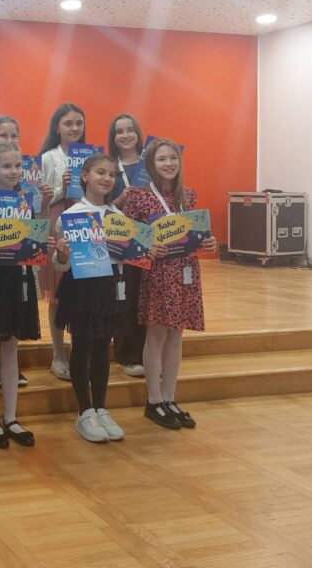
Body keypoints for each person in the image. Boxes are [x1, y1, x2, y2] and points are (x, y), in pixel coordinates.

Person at [121, 139, 218, 430]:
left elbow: (196, 234)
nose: (168, 163)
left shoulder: (187, 195)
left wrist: (210, 242)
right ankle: (153, 401)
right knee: (156, 335)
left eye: (172, 158)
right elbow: (128, 239)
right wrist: (147, 248)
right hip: (158, 274)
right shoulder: (138, 197)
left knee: (176, 336)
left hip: (186, 272)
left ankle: (169, 398)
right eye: (162, 159)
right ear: (151, 164)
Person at [0, 141, 54, 449]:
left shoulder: (26, 203)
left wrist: (42, 243)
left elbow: (31, 245)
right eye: (6, 166)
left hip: (18, 281)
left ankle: (12, 417)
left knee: (12, 348)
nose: (13, 171)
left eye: (17, 166)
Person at [52, 153, 128, 443]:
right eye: (100, 172)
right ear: (85, 176)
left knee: (102, 348)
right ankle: (84, 411)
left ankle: (101, 407)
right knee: (82, 346)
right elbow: (60, 264)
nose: (107, 178)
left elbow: (125, 257)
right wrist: (62, 254)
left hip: (109, 286)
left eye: (112, 174)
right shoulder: (72, 215)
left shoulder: (118, 217)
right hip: (82, 287)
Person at [38, 102, 87, 382]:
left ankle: (80, 353)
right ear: (57, 127)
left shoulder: (90, 156)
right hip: (58, 221)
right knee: (57, 294)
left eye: (79, 123)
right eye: (68, 123)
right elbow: (40, 202)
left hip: (85, 222)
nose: (74, 128)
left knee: (82, 291)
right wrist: (64, 188)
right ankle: (58, 354)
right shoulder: (48, 158)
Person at [107, 113, 147, 378]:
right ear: (113, 137)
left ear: (137, 133)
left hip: (150, 240)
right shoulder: (109, 166)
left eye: (129, 130)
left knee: (147, 297)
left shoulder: (150, 163)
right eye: (119, 131)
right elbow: (99, 203)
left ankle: (148, 353)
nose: (125, 135)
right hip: (121, 241)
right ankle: (127, 355)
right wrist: (119, 200)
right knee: (125, 297)